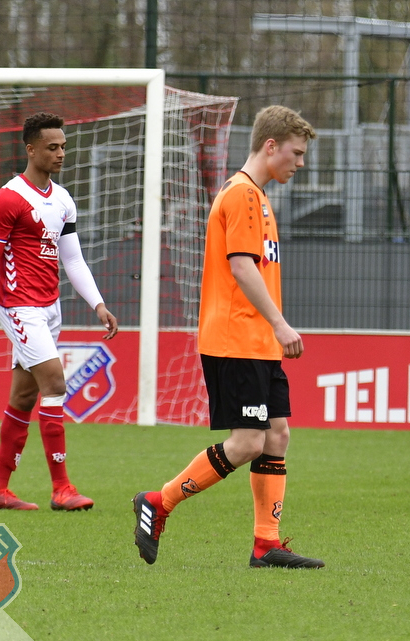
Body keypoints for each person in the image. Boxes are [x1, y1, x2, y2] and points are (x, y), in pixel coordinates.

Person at [132, 105, 324, 569]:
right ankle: (158, 502)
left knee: (276, 435)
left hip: (257, 342)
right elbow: (241, 267)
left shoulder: (258, 196)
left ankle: (266, 545)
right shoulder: (241, 195)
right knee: (248, 442)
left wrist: (272, 330)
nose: (300, 163)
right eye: (296, 153)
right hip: (236, 339)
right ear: (271, 146)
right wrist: (280, 323)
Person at [0, 112, 118, 511]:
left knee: (24, 396)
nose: (60, 153)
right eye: (52, 147)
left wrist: (98, 304)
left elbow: (72, 260)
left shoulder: (63, 199)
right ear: (31, 149)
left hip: (49, 307)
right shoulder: (8, 199)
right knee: (55, 384)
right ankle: (62, 488)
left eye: (63, 147)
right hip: (18, 306)